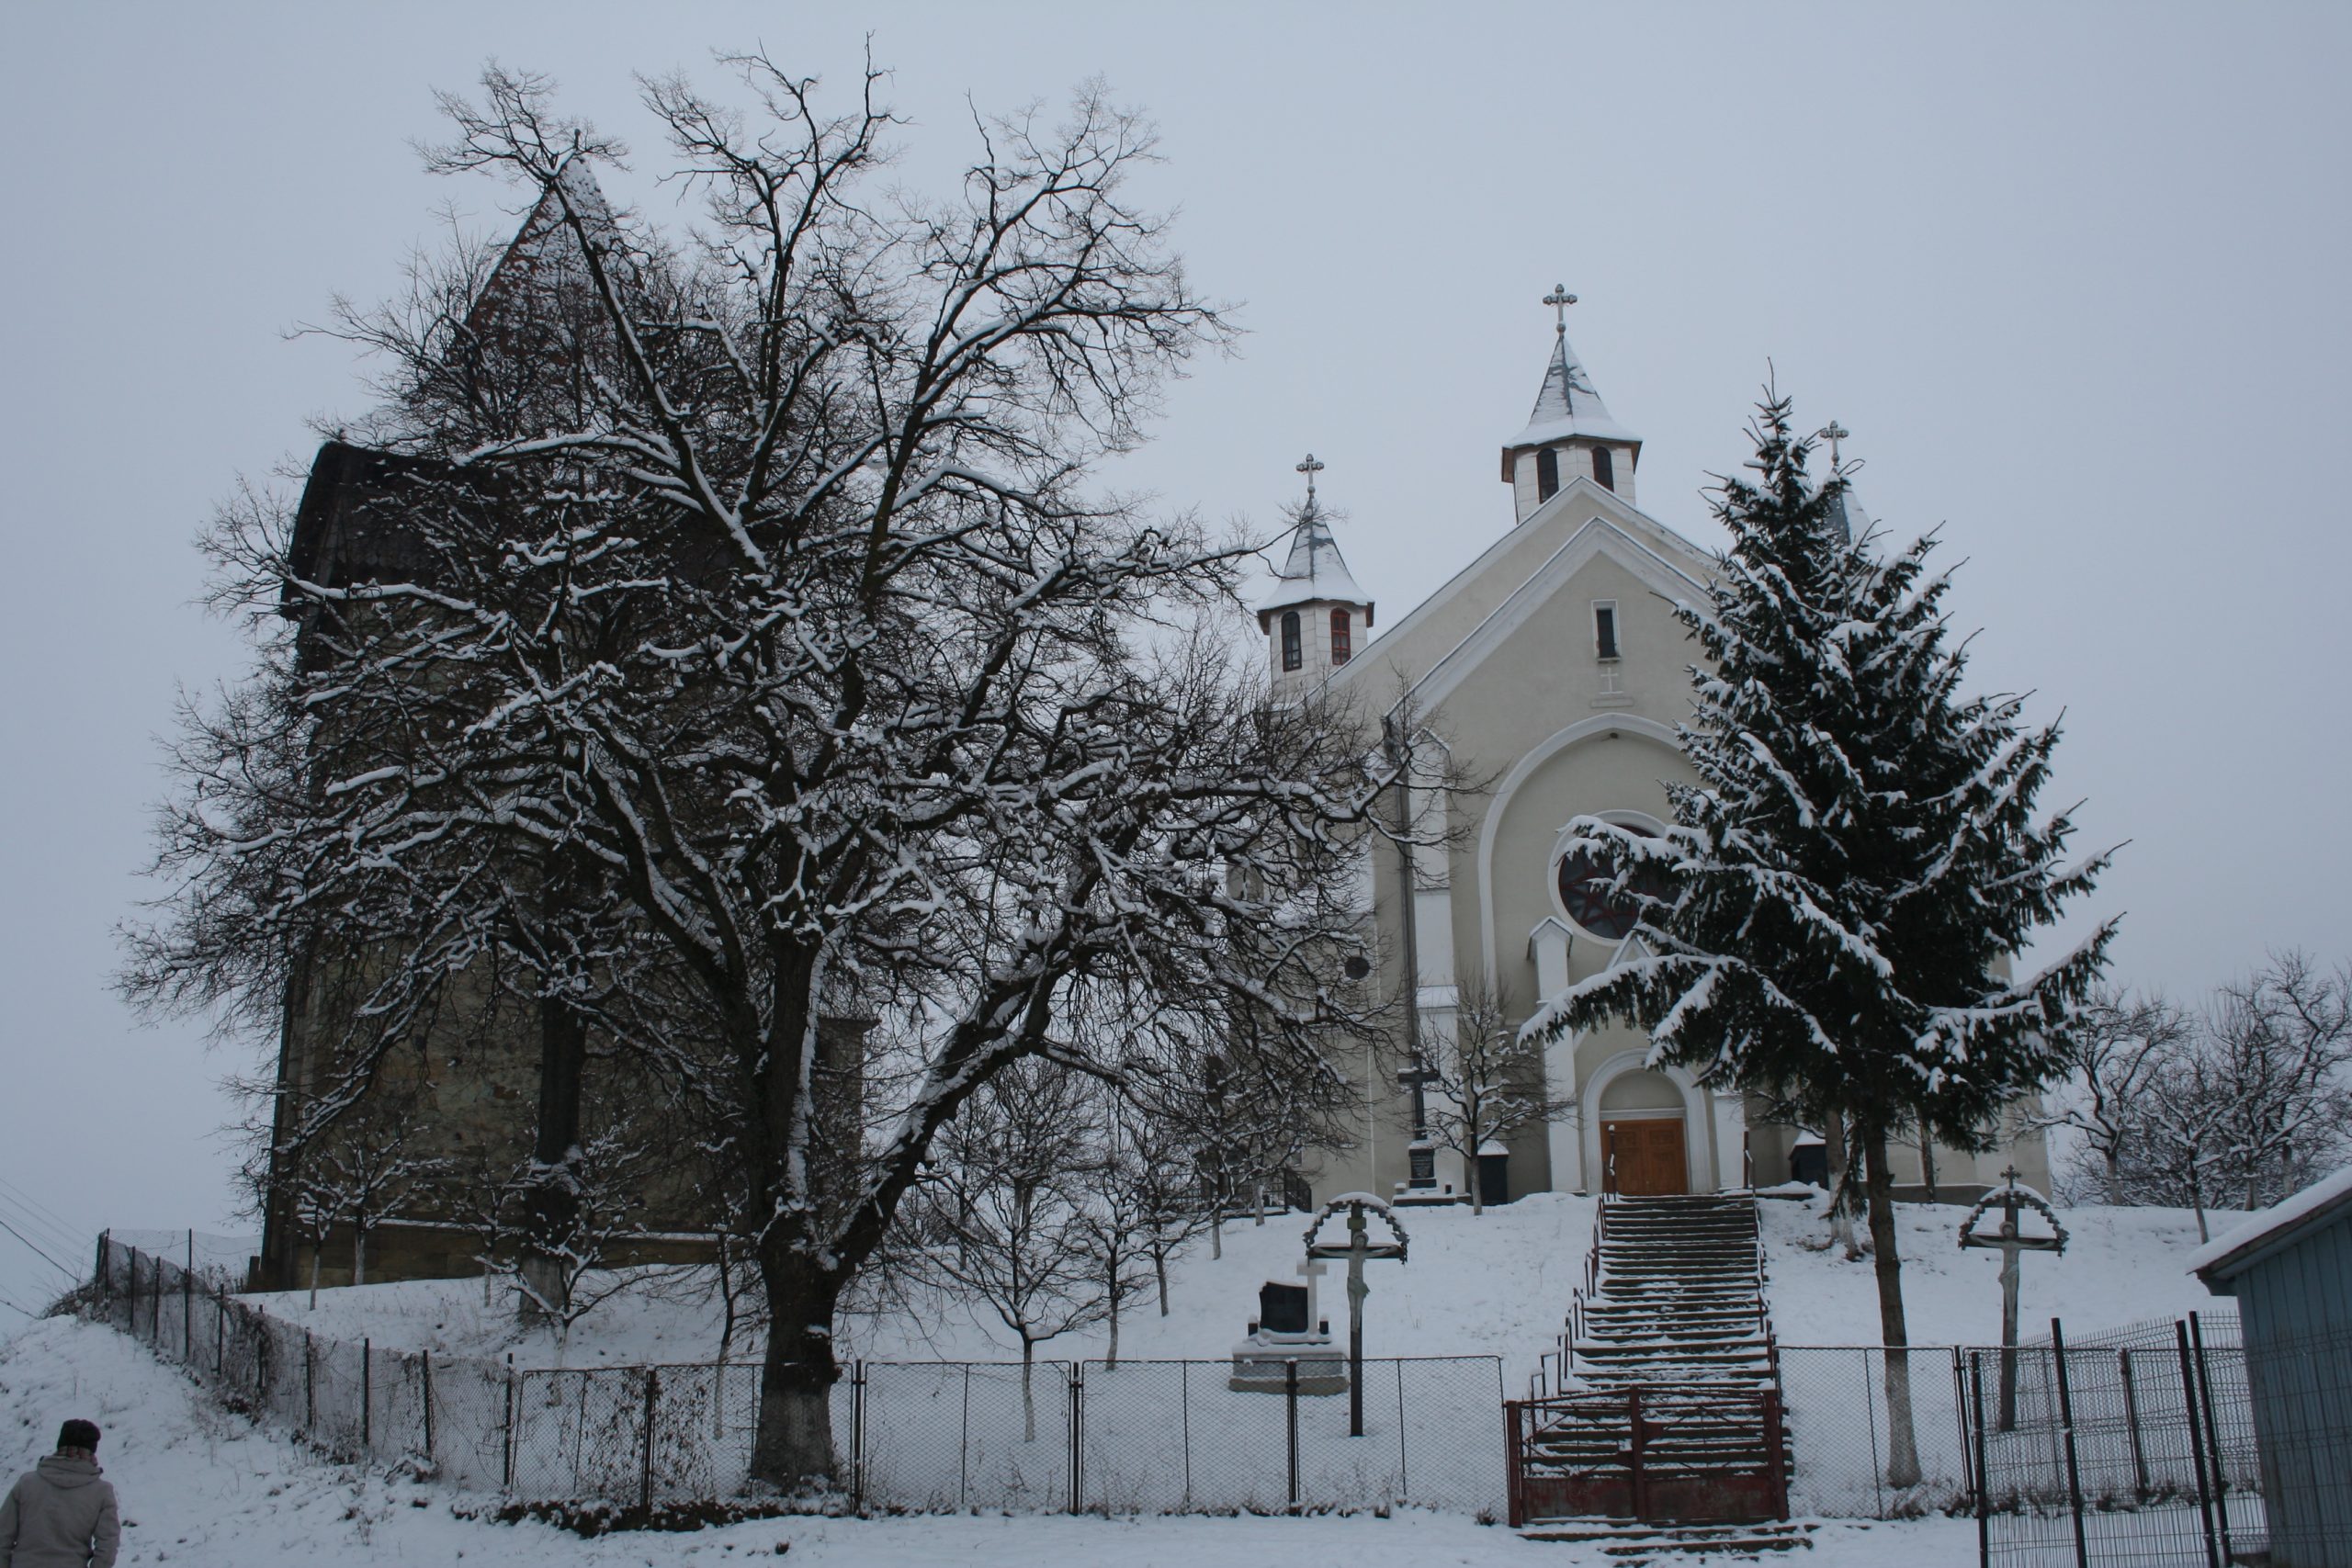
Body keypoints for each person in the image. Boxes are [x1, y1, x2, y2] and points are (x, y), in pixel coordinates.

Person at [0, 1420, 119, 1568]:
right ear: (92, 1450)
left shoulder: (27, 1483)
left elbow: (3, 1535)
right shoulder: (101, 1492)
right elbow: (108, 1544)